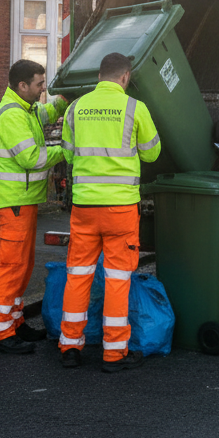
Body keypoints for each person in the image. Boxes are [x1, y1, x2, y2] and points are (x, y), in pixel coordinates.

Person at [58, 53, 161, 372]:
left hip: (85, 208)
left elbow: (67, 153)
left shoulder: (76, 108)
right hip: (120, 209)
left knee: (78, 276)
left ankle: (70, 346)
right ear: (126, 77)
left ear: (99, 75)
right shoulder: (135, 108)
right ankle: (114, 352)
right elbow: (153, 152)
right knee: (117, 279)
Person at [0, 59, 68, 355]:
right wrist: (66, 149)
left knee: (23, 265)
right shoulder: (11, 117)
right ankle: (1, 333)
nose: (42, 89)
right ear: (22, 86)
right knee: (11, 267)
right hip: (13, 202)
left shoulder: (25, 109)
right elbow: (32, 158)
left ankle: (15, 322)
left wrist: (62, 102)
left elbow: (45, 112)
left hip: (23, 201)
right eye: (39, 84)